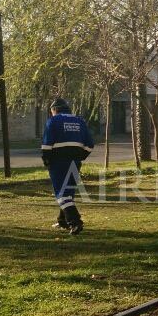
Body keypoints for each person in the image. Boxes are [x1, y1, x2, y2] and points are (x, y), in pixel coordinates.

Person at [42, 98, 94, 235]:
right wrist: (81, 156)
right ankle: (62, 221)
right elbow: (90, 144)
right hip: (75, 161)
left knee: (62, 193)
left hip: (58, 161)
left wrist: (46, 160)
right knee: (68, 190)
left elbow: (47, 144)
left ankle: (75, 222)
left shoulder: (52, 121)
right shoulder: (80, 121)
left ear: (54, 110)